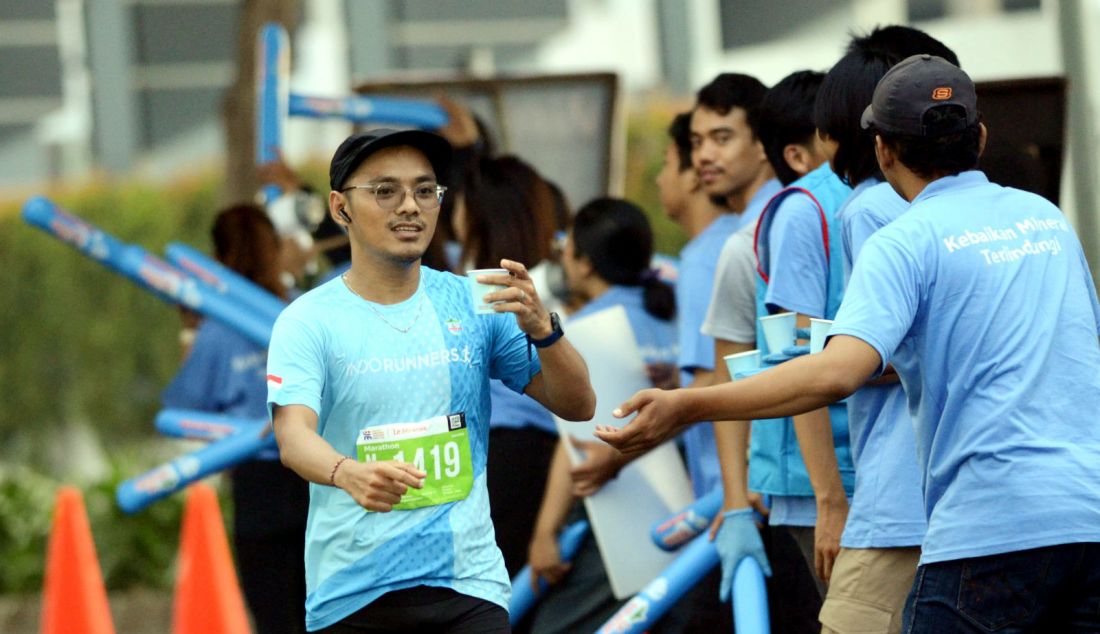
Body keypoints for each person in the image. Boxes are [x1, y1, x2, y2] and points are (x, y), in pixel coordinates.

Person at [598, 54, 1100, 633]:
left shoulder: (904, 239)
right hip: (1087, 521)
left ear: (883, 151)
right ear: (979, 138)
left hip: (989, 529)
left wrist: (687, 406)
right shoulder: (1045, 220)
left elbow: (837, 373)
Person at [267, 128, 596, 633]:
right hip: (354, 592)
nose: (410, 207)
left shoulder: (476, 300)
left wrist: (545, 332)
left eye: (425, 190)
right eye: (385, 191)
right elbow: (292, 437)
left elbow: (579, 405)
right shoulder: (307, 320)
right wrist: (347, 473)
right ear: (339, 208)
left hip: (468, 584)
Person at [813, 27, 959, 634]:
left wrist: (820, 355)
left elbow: (892, 352)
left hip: (899, 497)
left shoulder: (870, 208)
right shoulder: (952, 206)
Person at [703, 71, 832, 634]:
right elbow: (730, 378)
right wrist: (735, 502)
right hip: (795, 492)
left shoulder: (868, 216)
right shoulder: (744, 247)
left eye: (721, 136)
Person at [523, 197, 679, 634]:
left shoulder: (583, 328)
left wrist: (545, 533)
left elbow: (575, 438)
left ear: (585, 263)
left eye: (566, 249)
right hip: (681, 507)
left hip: (609, 510)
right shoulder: (672, 312)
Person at [162, 203, 310, 634]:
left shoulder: (216, 332)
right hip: (320, 475)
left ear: (219, 259)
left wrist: (190, 329)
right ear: (275, 249)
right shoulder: (304, 312)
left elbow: (183, 411)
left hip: (256, 486)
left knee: (277, 617)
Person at [750, 69, 854, 599]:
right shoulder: (804, 208)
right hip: (821, 482)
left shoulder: (878, 191)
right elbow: (793, 353)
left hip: (868, 475)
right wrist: (829, 498)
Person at [450, 154, 566, 579]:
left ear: (478, 213)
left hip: (503, 455)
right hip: (549, 455)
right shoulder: (548, 282)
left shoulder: (486, 290)